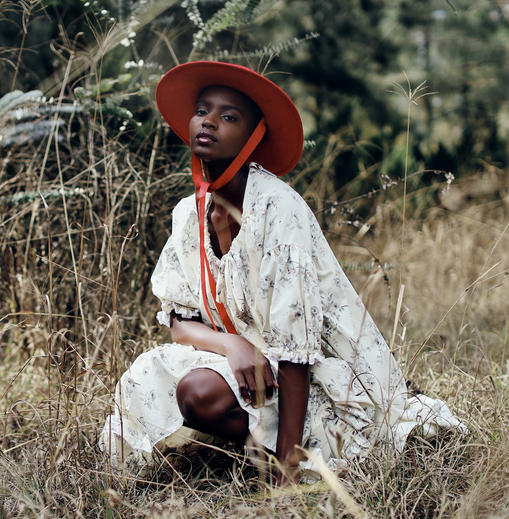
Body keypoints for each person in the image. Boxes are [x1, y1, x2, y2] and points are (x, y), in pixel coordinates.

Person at [100, 61, 464, 484]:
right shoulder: (189, 214)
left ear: (253, 138)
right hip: (249, 358)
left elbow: (297, 347)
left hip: (317, 372)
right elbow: (180, 322)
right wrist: (231, 344)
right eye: (203, 110)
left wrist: (290, 468)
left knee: (200, 394)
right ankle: (254, 439)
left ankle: (289, 455)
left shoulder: (277, 209)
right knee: (155, 376)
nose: (210, 121)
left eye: (229, 117)